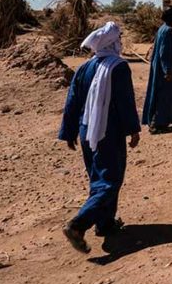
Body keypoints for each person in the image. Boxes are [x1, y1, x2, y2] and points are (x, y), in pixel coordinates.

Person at [58, 21, 141, 254]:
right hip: (108, 131)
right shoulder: (119, 67)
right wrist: (133, 129)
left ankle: (105, 224)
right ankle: (78, 224)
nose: (121, 43)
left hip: (86, 131)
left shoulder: (85, 68)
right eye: (119, 40)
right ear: (113, 43)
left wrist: (69, 132)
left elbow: (72, 102)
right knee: (110, 180)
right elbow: (125, 101)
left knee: (98, 178)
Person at [142, 6, 172, 133]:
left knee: (161, 94)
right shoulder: (167, 31)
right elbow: (163, 53)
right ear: (170, 17)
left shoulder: (162, 29)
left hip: (159, 68)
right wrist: (167, 70)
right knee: (163, 96)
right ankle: (156, 123)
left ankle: (161, 123)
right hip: (163, 71)